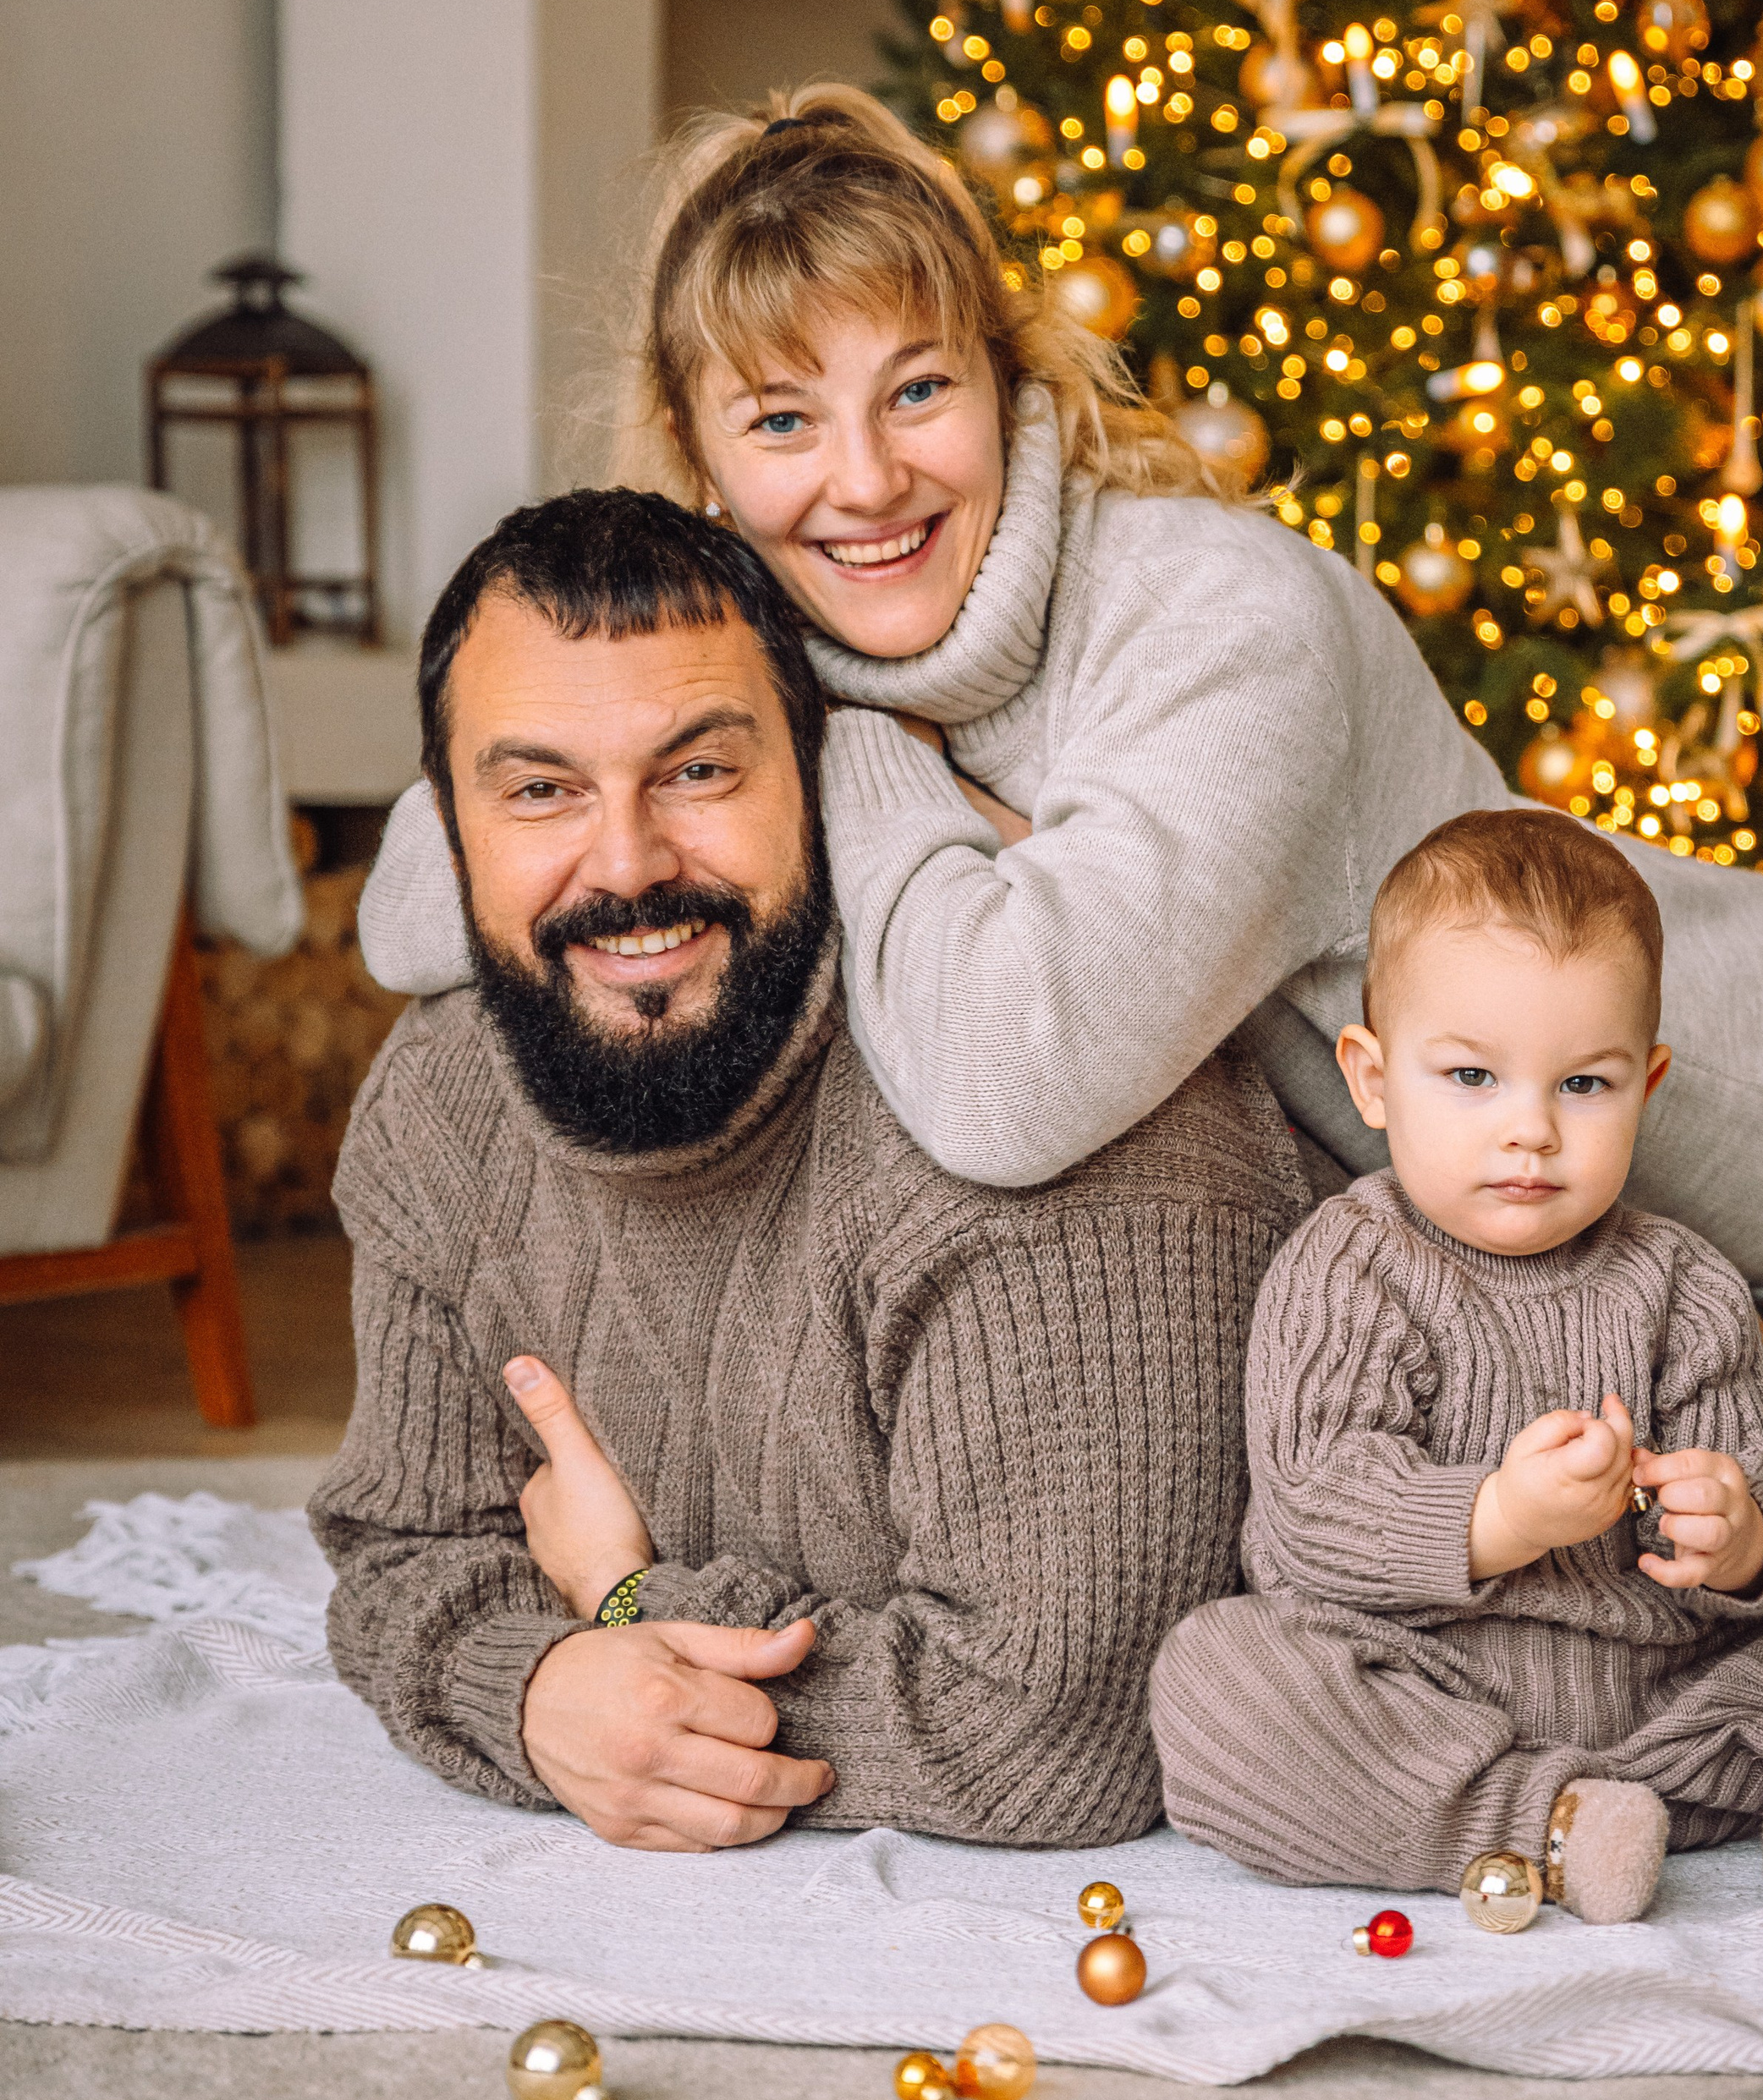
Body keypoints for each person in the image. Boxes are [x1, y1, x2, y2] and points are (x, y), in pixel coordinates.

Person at [357, 86, 1763, 1683]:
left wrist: (844, 746)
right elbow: (433, 897)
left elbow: (1005, 1081)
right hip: (1532, 1230)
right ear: (694, 458)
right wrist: (746, 710)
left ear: (1004, 378)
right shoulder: (780, 659)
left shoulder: (1219, 619)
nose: (865, 479)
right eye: (781, 423)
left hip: (1750, 1083)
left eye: (917, 390)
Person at [312, 486, 1303, 1851]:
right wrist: (537, 1689)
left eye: (701, 771)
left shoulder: (1024, 1110)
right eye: (540, 789)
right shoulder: (442, 1104)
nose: (629, 865)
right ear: (451, 828)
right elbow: (399, 1550)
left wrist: (622, 1613)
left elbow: (1050, 1731)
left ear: (818, 773)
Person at [1151, 811, 1763, 1933]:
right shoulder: (1350, 1267)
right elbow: (1305, 1519)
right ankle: (1538, 1825)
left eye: (1583, 1086)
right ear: (1375, 1079)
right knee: (1218, 1683)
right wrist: (1496, 1513)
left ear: (1648, 1083)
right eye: (1473, 1077)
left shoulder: (1680, 1279)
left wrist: (1737, 1533)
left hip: (1674, 1709)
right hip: (1425, 1697)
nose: (1530, 1130)